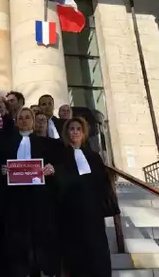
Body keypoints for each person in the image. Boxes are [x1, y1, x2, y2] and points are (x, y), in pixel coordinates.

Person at [0, 107, 61, 277]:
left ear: (33, 122)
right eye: (21, 118)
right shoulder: (7, 143)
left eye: (28, 117)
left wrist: (52, 168)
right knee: (17, 237)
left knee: (40, 236)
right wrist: (2, 170)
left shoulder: (46, 144)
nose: (24, 120)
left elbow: (59, 165)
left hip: (39, 198)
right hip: (15, 199)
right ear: (16, 121)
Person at [57, 117, 120, 277]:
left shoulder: (93, 156)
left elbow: (103, 183)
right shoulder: (61, 156)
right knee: (77, 257)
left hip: (93, 213)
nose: (75, 132)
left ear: (84, 132)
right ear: (66, 132)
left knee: (98, 254)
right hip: (71, 213)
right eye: (72, 129)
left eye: (79, 129)